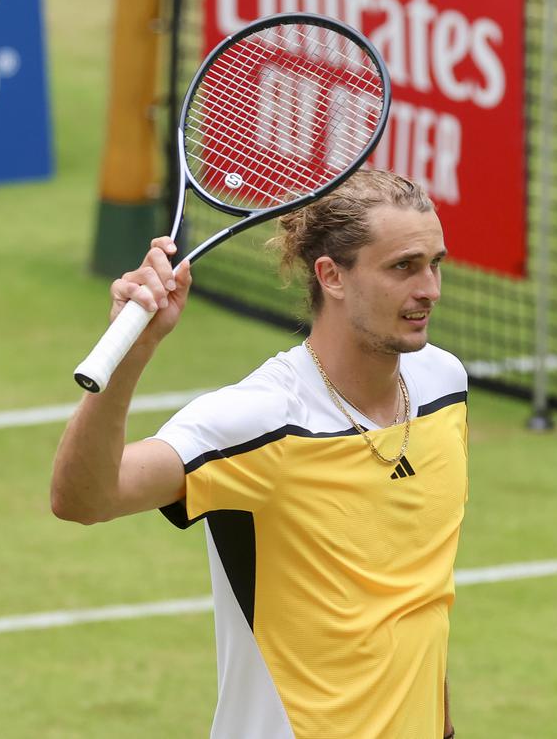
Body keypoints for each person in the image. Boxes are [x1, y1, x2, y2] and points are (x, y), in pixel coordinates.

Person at [51, 169, 467, 739]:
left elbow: (420, 599)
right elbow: (84, 498)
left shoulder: (444, 386)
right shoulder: (258, 422)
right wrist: (133, 353)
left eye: (434, 263)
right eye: (403, 267)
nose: (430, 289)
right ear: (332, 276)